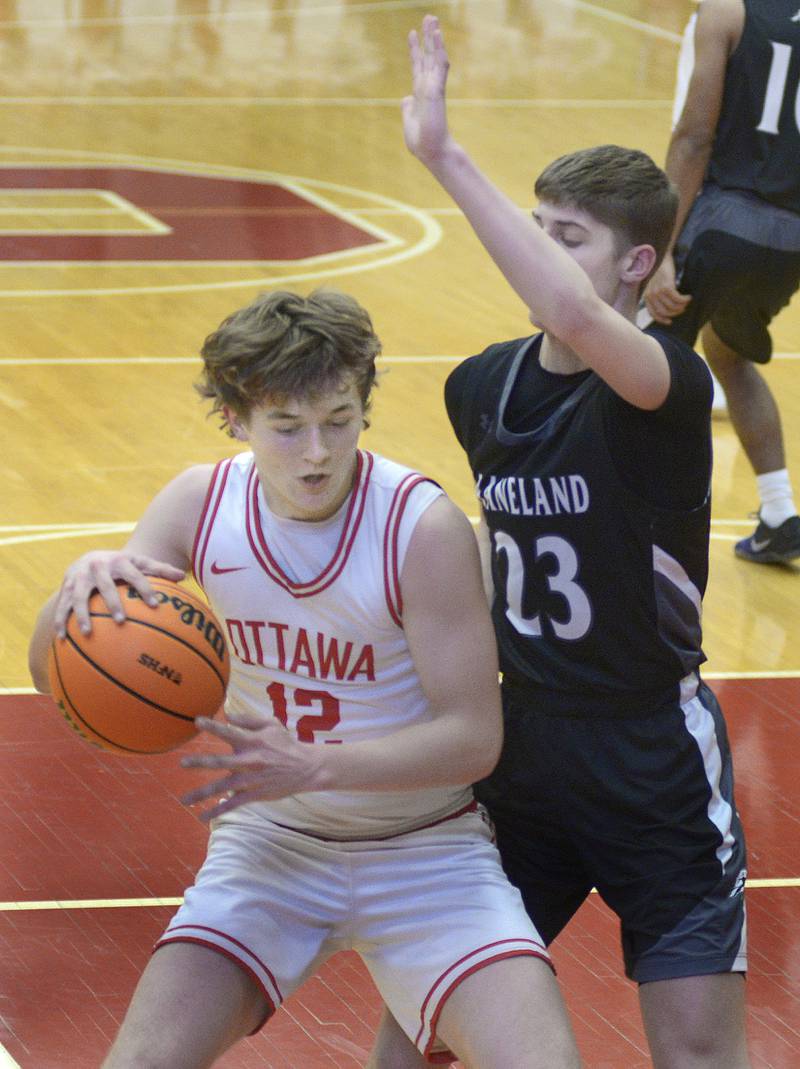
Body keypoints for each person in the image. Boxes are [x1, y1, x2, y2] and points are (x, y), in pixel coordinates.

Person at [28, 288, 581, 1069]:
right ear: (236, 418)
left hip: (425, 851)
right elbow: (56, 669)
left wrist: (313, 764)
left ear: (364, 405)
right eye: (287, 428)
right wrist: (73, 594)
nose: (317, 452)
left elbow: (473, 738)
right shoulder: (199, 504)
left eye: (339, 419)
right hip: (269, 848)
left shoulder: (419, 527)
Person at [371, 15, 750, 1069]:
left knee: (694, 1051)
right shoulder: (480, 384)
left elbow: (582, 325)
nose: (540, 251)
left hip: (651, 756)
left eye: (564, 235)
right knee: (415, 1037)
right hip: (522, 746)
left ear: (637, 261)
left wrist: (445, 155)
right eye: (535, 225)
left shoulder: (664, 386)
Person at [644, 0, 800, 564]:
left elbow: (692, 139)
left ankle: (634, 514)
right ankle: (779, 510)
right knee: (728, 353)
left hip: (724, 221)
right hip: (791, 239)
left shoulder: (726, 13)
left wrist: (660, 247)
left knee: (635, 354)